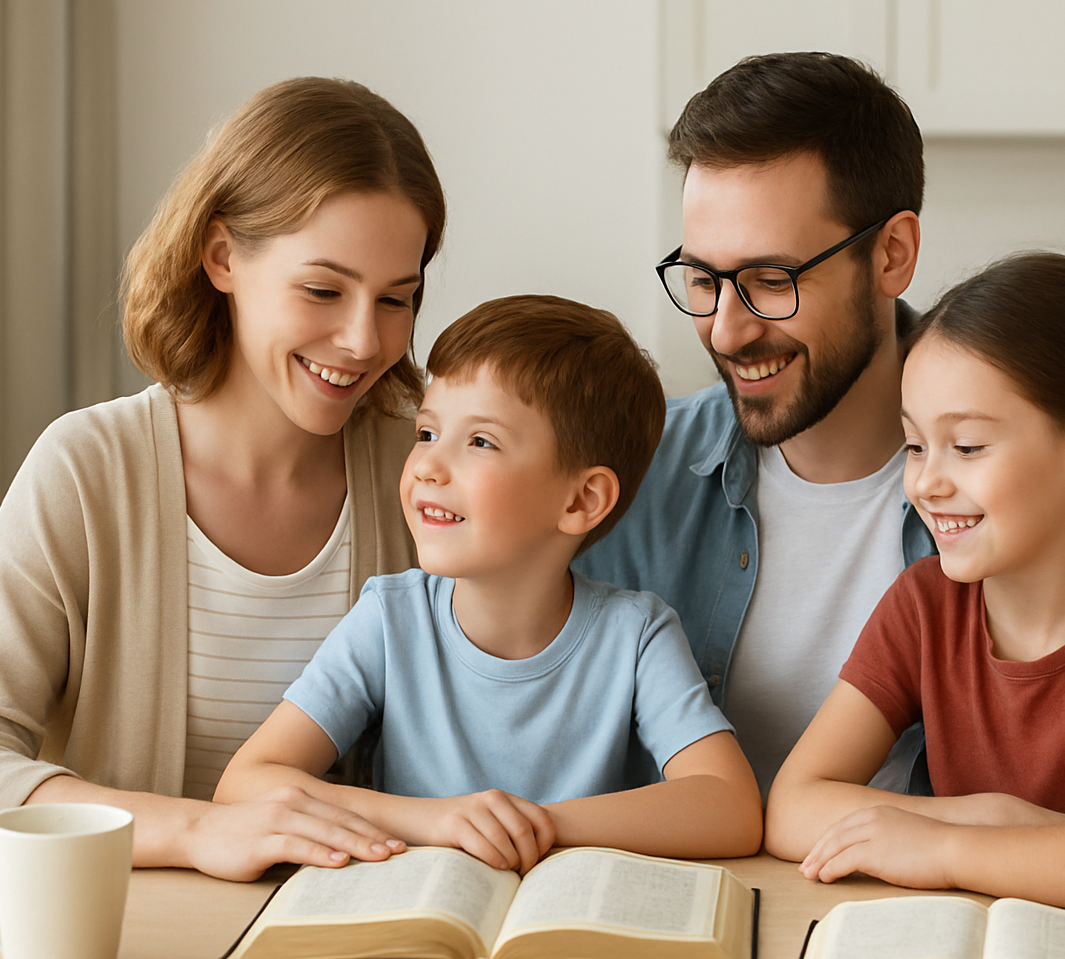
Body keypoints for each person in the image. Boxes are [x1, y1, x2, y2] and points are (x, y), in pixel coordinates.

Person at [575, 51, 1065, 942]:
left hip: (934, 942)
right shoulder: (626, 474)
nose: (724, 327)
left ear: (893, 253)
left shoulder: (1048, 477)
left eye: (770, 280)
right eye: (703, 279)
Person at [0, 78, 443, 922]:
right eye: (323, 290)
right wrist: (201, 832)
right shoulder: (88, 470)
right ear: (223, 256)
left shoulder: (424, 473)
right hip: (133, 957)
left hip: (361, 952)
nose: (363, 341)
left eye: (396, 298)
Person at [764, 252, 1065, 924]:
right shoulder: (923, 606)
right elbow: (792, 806)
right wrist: (993, 817)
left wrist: (947, 849)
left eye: (966, 447)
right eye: (913, 446)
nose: (927, 483)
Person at [215, 296, 763, 869]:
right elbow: (246, 784)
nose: (428, 465)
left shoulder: (638, 636)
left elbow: (730, 807)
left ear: (581, 500)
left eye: (480, 441)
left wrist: (534, 826)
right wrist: (436, 821)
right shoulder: (389, 619)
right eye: (427, 433)